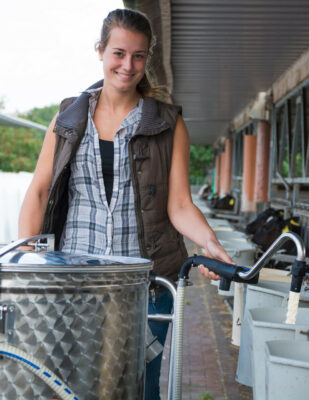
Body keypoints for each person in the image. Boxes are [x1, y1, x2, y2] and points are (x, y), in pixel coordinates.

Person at [18, 8, 231, 400]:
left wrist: (210, 244)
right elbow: (38, 191)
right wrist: (28, 264)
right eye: (118, 53)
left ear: (146, 58)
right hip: (74, 284)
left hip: (146, 287)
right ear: (100, 50)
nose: (127, 65)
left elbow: (180, 204)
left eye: (137, 56)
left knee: (140, 388)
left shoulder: (168, 123)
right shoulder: (67, 118)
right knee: (71, 387)